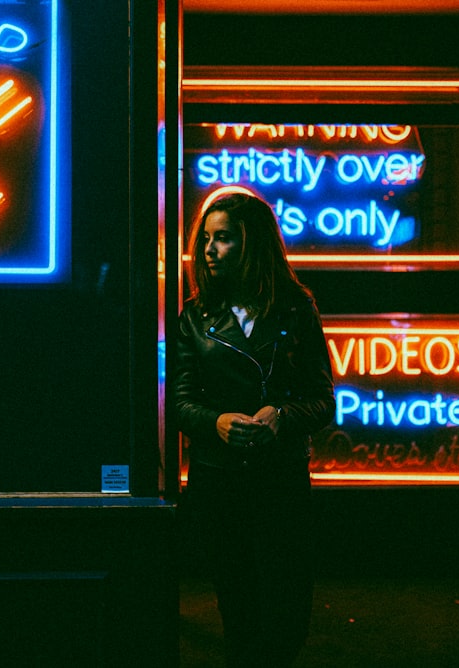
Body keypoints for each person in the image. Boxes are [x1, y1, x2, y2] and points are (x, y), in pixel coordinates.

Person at [174, 192, 336, 667]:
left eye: (222, 238)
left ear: (252, 244)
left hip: (279, 478)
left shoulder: (294, 308)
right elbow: (181, 403)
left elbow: (324, 399)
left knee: (286, 610)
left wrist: (281, 418)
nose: (208, 250)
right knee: (237, 603)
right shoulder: (195, 316)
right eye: (206, 238)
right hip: (218, 479)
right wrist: (217, 423)